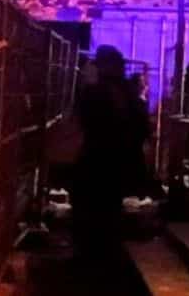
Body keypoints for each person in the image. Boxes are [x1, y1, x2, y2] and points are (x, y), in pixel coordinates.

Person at [71, 46, 144, 263]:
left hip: (99, 155)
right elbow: (139, 127)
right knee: (108, 204)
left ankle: (91, 253)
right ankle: (106, 251)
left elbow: (85, 119)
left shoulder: (98, 92)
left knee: (90, 203)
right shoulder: (128, 92)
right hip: (117, 158)